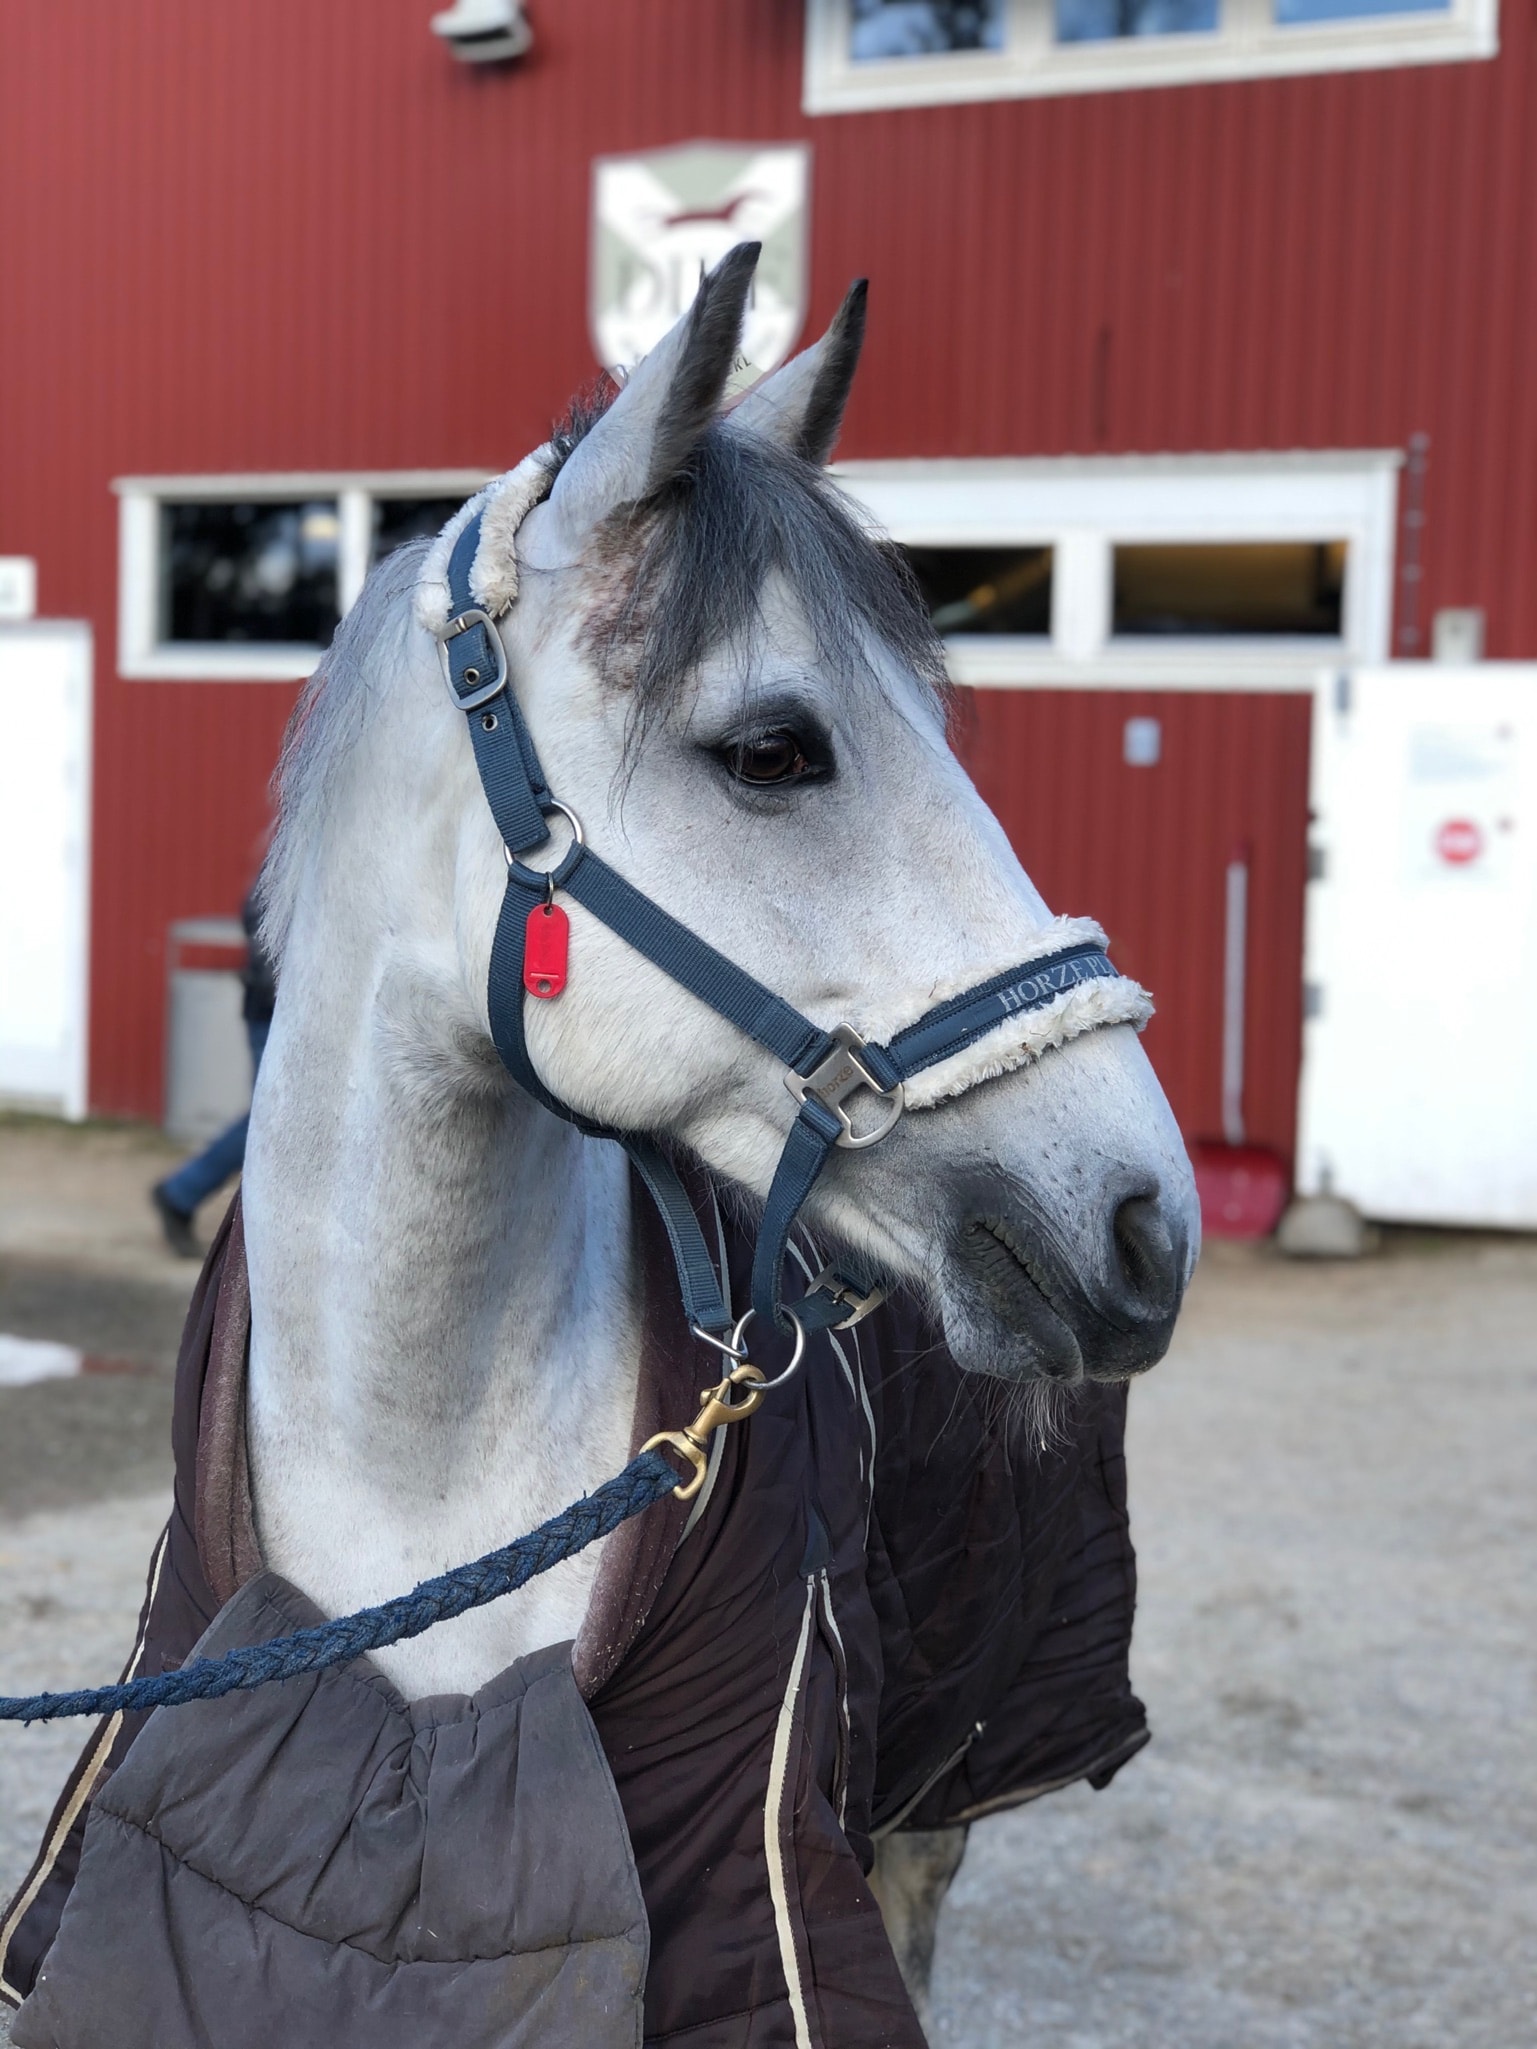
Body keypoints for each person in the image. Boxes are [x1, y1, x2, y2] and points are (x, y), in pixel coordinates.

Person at [152, 889, 275, 1258]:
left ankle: (181, 1193)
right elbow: (258, 915)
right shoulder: (294, 866)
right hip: (276, 1013)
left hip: (284, 1011)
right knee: (269, 1122)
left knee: (271, 1122)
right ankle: (181, 1193)